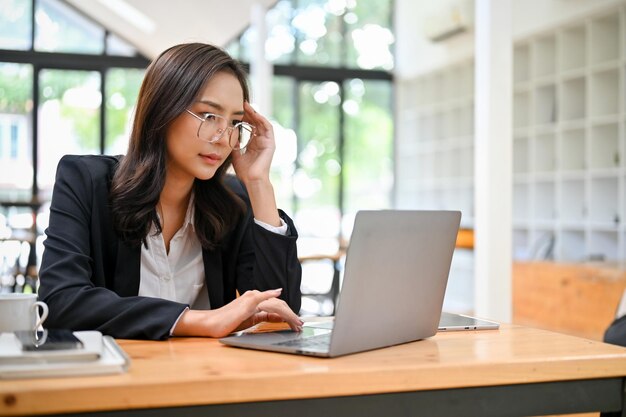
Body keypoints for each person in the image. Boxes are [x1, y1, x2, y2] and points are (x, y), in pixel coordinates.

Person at [38, 43, 303, 340]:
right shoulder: (86, 181)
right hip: (118, 376)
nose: (223, 138)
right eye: (208, 116)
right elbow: (59, 302)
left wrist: (258, 183)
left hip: (207, 376)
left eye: (235, 123)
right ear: (163, 110)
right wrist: (200, 321)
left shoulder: (235, 201)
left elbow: (282, 312)